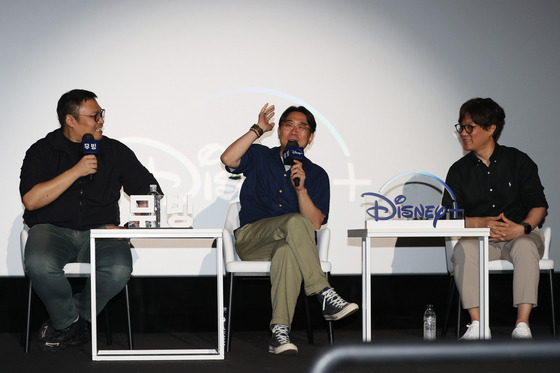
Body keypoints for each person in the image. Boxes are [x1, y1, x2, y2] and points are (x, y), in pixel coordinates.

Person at [20, 89, 162, 351]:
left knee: (118, 269)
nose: (101, 121)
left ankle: (73, 322)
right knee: (39, 264)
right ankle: (71, 323)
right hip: (51, 230)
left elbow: (151, 192)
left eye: (101, 114)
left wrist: (129, 226)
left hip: (99, 232)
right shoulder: (43, 150)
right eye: (94, 116)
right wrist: (77, 171)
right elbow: (31, 200)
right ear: (70, 120)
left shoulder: (114, 151)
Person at [220, 103, 358, 355]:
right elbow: (228, 159)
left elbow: (315, 224)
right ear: (280, 132)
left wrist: (301, 189)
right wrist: (258, 129)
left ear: (311, 137)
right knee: (296, 221)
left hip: (287, 246)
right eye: (288, 125)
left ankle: (279, 332)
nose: (295, 131)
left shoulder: (316, 175)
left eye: (302, 127)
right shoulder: (260, 156)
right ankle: (323, 291)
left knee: (287, 251)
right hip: (252, 240)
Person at [442, 97, 548, 340]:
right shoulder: (458, 171)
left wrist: (521, 228)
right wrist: (480, 224)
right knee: (464, 250)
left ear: (491, 129)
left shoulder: (518, 161)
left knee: (524, 246)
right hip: (479, 240)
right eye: (461, 127)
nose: (463, 133)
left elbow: (539, 206)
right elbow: (449, 216)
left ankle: (522, 325)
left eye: (470, 127)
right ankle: (478, 324)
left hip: (519, 234)